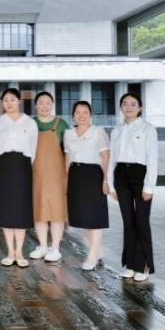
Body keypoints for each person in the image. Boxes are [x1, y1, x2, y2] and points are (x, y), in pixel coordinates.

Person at [108, 92, 158, 282]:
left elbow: (152, 159)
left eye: (133, 104)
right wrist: (111, 185)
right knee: (128, 222)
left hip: (141, 175)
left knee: (141, 222)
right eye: (125, 104)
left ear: (140, 107)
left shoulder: (148, 129)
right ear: (121, 107)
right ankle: (130, 264)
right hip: (121, 175)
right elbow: (112, 159)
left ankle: (144, 264)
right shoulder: (116, 130)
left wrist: (149, 186)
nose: (128, 107)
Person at [0, 88, 38, 268]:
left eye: (12, 99)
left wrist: (25, 164)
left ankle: (20, 252)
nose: (9, 103)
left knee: (21, 208)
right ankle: (10, 251)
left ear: (19, 101)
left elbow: (33, 147)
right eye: (6, 100)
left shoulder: (30, 122)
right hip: (4, 166)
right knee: (6, 208)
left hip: (22, 165)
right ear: (2, 103)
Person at [63, 101, 110, 271]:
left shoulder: (98, 132)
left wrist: (106, 180)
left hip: (94, 175)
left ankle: (91, 256)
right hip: (75, 175)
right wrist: (66, 181)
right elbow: (68, 158)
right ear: (73, 116)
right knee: (83, 219)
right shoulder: (68, 134)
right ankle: (97, 252)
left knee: (95, 218)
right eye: (78, 112)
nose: (81, 116)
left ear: (91, 115)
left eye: (85, 112)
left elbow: (106, 157)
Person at [30, 91, 69, 262]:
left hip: (57, 174)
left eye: (48, 103)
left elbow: (69, 150)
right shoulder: (30, 124)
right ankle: (43, 246)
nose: (44, 106)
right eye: (41, 103)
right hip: (36, 173)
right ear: (36, 105)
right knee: (39, 210)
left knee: (56, 211)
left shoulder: (61, 124)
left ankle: (55, 248)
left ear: (52, 105)